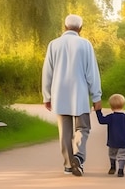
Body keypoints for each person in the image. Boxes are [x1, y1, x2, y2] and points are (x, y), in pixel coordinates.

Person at [42, 14, 102, 177]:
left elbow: (47, 72)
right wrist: (96, 97)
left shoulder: (53, 45)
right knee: (83, 128)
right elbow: (92, 73)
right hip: (80, 94)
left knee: (65, 132)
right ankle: (79, 157)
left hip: (59, 95)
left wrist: (47, 96)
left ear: (65, 27)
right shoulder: (85, 44)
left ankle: (69, 165)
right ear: (80, 28)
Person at [95, 93, 125, 177]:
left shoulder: (111, 117)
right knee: (122, 156)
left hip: (112, 141)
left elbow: (101, 120)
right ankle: (121, 170)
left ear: (111, 106)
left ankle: (112, 167)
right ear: (123, 105)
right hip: (123, 142)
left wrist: (98, 111)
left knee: (112, 154)